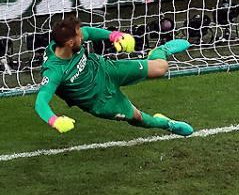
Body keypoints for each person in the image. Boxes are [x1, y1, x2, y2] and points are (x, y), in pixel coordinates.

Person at [34, 16, 195, 136]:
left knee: (161, 68)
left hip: (106, 69)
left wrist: (114, 36)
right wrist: (54, 121)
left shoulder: (67, 41)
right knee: (137, 118)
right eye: (78, 35)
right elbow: (40, 101)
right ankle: (166, 124)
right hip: (100, 100)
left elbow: (89, 31)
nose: (82, 36)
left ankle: (160, 51)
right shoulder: (54, 71)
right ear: (70, 43)